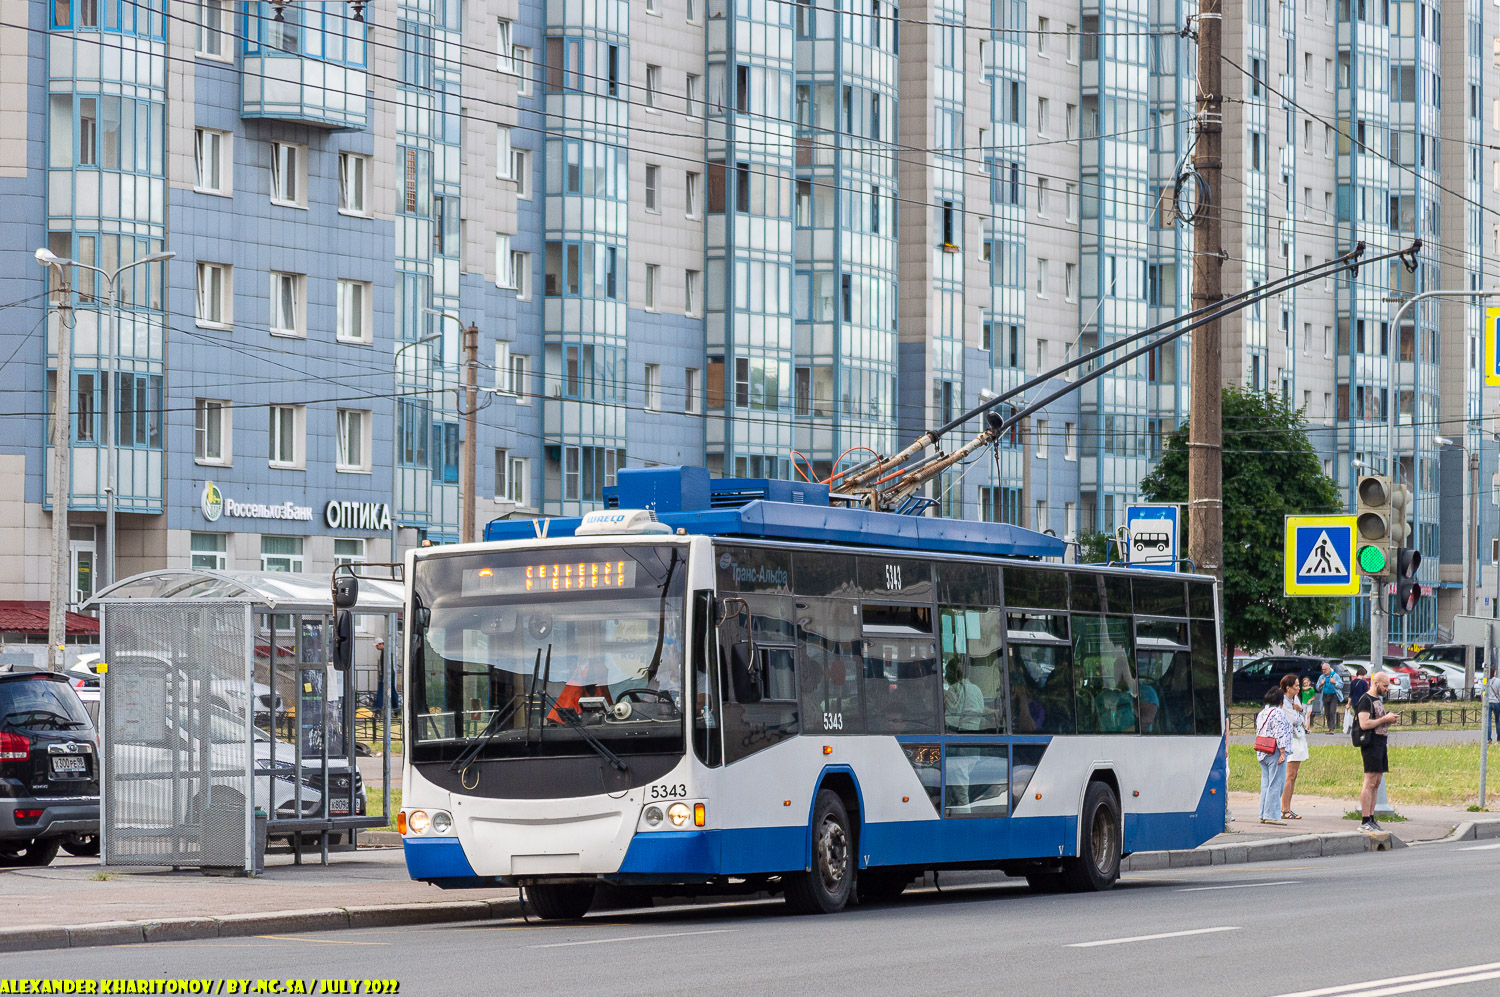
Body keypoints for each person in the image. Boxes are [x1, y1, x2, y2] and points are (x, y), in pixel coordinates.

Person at [1355, 671, 1401, 832]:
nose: (1387, 689)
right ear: (1376, 684)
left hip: (1381, 742)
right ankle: (1365, 820)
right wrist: (1384, 719)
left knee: (1377, 782)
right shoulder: (1365, 700)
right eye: (1385, 685)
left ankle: (1372, 818)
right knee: (1369, 781)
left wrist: (1388, 721)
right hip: (1371, 744)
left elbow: (1377, 722)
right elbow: (1364, 724)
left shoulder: (1377, 701)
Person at [1255, 685, 1293, 825]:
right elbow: (1279, 733)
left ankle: (1263, 813)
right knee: (1276, 783)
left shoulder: (1262, 712)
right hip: (1275, 751)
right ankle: (1271, 815)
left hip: (1262, 751)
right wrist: (1282, 752)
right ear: (1280, 700)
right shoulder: (1278, 713)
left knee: (1266, 783)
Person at [1280, 673, 1309, 820]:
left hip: (1298, 738)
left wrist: (1300, 711)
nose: (1299, 688)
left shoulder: (1294, 699)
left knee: (1294, 775)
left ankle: (1287, 807)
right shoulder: (1283, 701)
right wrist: (1299, 714)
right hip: (1290, 740)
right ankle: (1284, 809)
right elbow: (1292, 719)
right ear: (1288, 687)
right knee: (1289, 776)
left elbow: (1302, 718)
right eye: (1296, 685)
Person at [944, 659, 987, 732]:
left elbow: (952, 719)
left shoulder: (955, 689)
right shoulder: (977, 689)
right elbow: (982, 718)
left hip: (960, 735)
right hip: (976, 733)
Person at [1316, 661, 1345, 732]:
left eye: (1325, 669)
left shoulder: (1335, 676)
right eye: (1322, 670)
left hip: (1333, 695)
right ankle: (1329, 727)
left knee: (1332, 711)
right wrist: (1320, 684)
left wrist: (1335, 682)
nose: (1324, 671)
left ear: (1329, 669)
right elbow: (1317, 687)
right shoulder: (1322, 677)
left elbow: (1341, 685)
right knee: (1327, 712)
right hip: (1325, 696)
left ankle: (1332, 728)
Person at [1487, 667, 1500, 743]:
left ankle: (1489, 739)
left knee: (1488, 721)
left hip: (1488, 702)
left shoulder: (1485, 681)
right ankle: (1499, 739)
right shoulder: (1498, 681)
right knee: (1498, 721)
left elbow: (1483, 693)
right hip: (1496, 703)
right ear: (1494, 672)